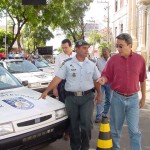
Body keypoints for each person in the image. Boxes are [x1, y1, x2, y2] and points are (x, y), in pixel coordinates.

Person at [39, 39, 101, 150]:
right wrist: (46, 91)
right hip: (71, 98)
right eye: (84, 48)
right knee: (73, 125)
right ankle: (75, 147)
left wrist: (99, 94)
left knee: (86, 124)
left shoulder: (92, 64)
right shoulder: (67, 64)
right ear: (76, 49)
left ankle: (85, 147)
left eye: (87, 48)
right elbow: (57, 78)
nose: (87, 50)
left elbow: (96, 80)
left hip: (87, 98)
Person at [97, 33, 146, 150]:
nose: (118, 49)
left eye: (121, 46)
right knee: (115, 131)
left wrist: (143, 97)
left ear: (130, 45)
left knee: (134, 131)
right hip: (117, 98)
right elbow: (106, 74)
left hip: (133, 99)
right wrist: (103, 79)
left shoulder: (139, 60)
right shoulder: (113, 59)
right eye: (117, 46)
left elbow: (142, 79)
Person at [53, 39, 76, 140]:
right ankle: (66, 131)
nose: (64, 49)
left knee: (74, 108)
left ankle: (72, 130)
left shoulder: (76, 55)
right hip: (62, 84)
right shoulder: (59, 57)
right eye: (63, 48)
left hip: (75, 85)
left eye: (66, 47)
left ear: (71, 46)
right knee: (65, 108)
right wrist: (54, 87)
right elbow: (56, 73)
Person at [95, 47, 112, 123]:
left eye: (106, 51)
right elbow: (95, 71)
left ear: (109, 51)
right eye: (103, 51)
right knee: (100, 99)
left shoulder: (112, 60)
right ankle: (98, 116)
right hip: (100, 83)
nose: (104, 52)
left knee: (108, 100)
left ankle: (104, 113)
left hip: (110, 83)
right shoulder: (98, 61)